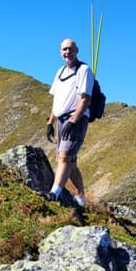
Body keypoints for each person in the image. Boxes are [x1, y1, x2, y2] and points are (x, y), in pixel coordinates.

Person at [45, 38, 94, 207]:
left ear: (77, 50)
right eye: (64, 49)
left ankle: (54, 194)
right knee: (71, 162)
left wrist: (73, 120)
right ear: (60, 52)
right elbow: (57, 101)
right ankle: (81, 198)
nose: (67, 52)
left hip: (76, 119)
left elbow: (85, 98)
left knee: (64, 157)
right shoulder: (59, 72)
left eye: (70, 49)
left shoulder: (84, 70)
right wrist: (50, 122)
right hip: (61, 119)